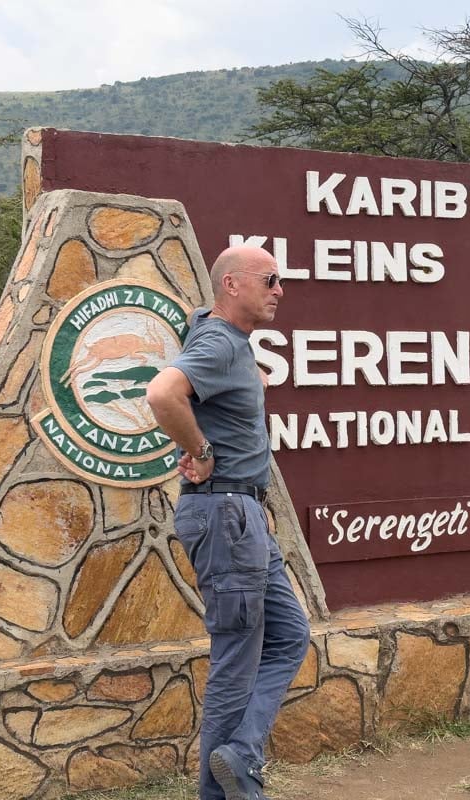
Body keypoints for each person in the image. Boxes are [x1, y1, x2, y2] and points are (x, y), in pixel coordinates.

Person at [147, 245, 309, 800]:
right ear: (233, 285)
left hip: (242, 515)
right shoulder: (219, 340)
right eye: (270, 279)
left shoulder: (224, 339)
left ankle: (240, 754)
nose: (280, 289)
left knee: (289, 634)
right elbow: (163, 393)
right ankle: (224, 790)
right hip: (226, 512)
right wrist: (200, 448)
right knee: (237, 658)